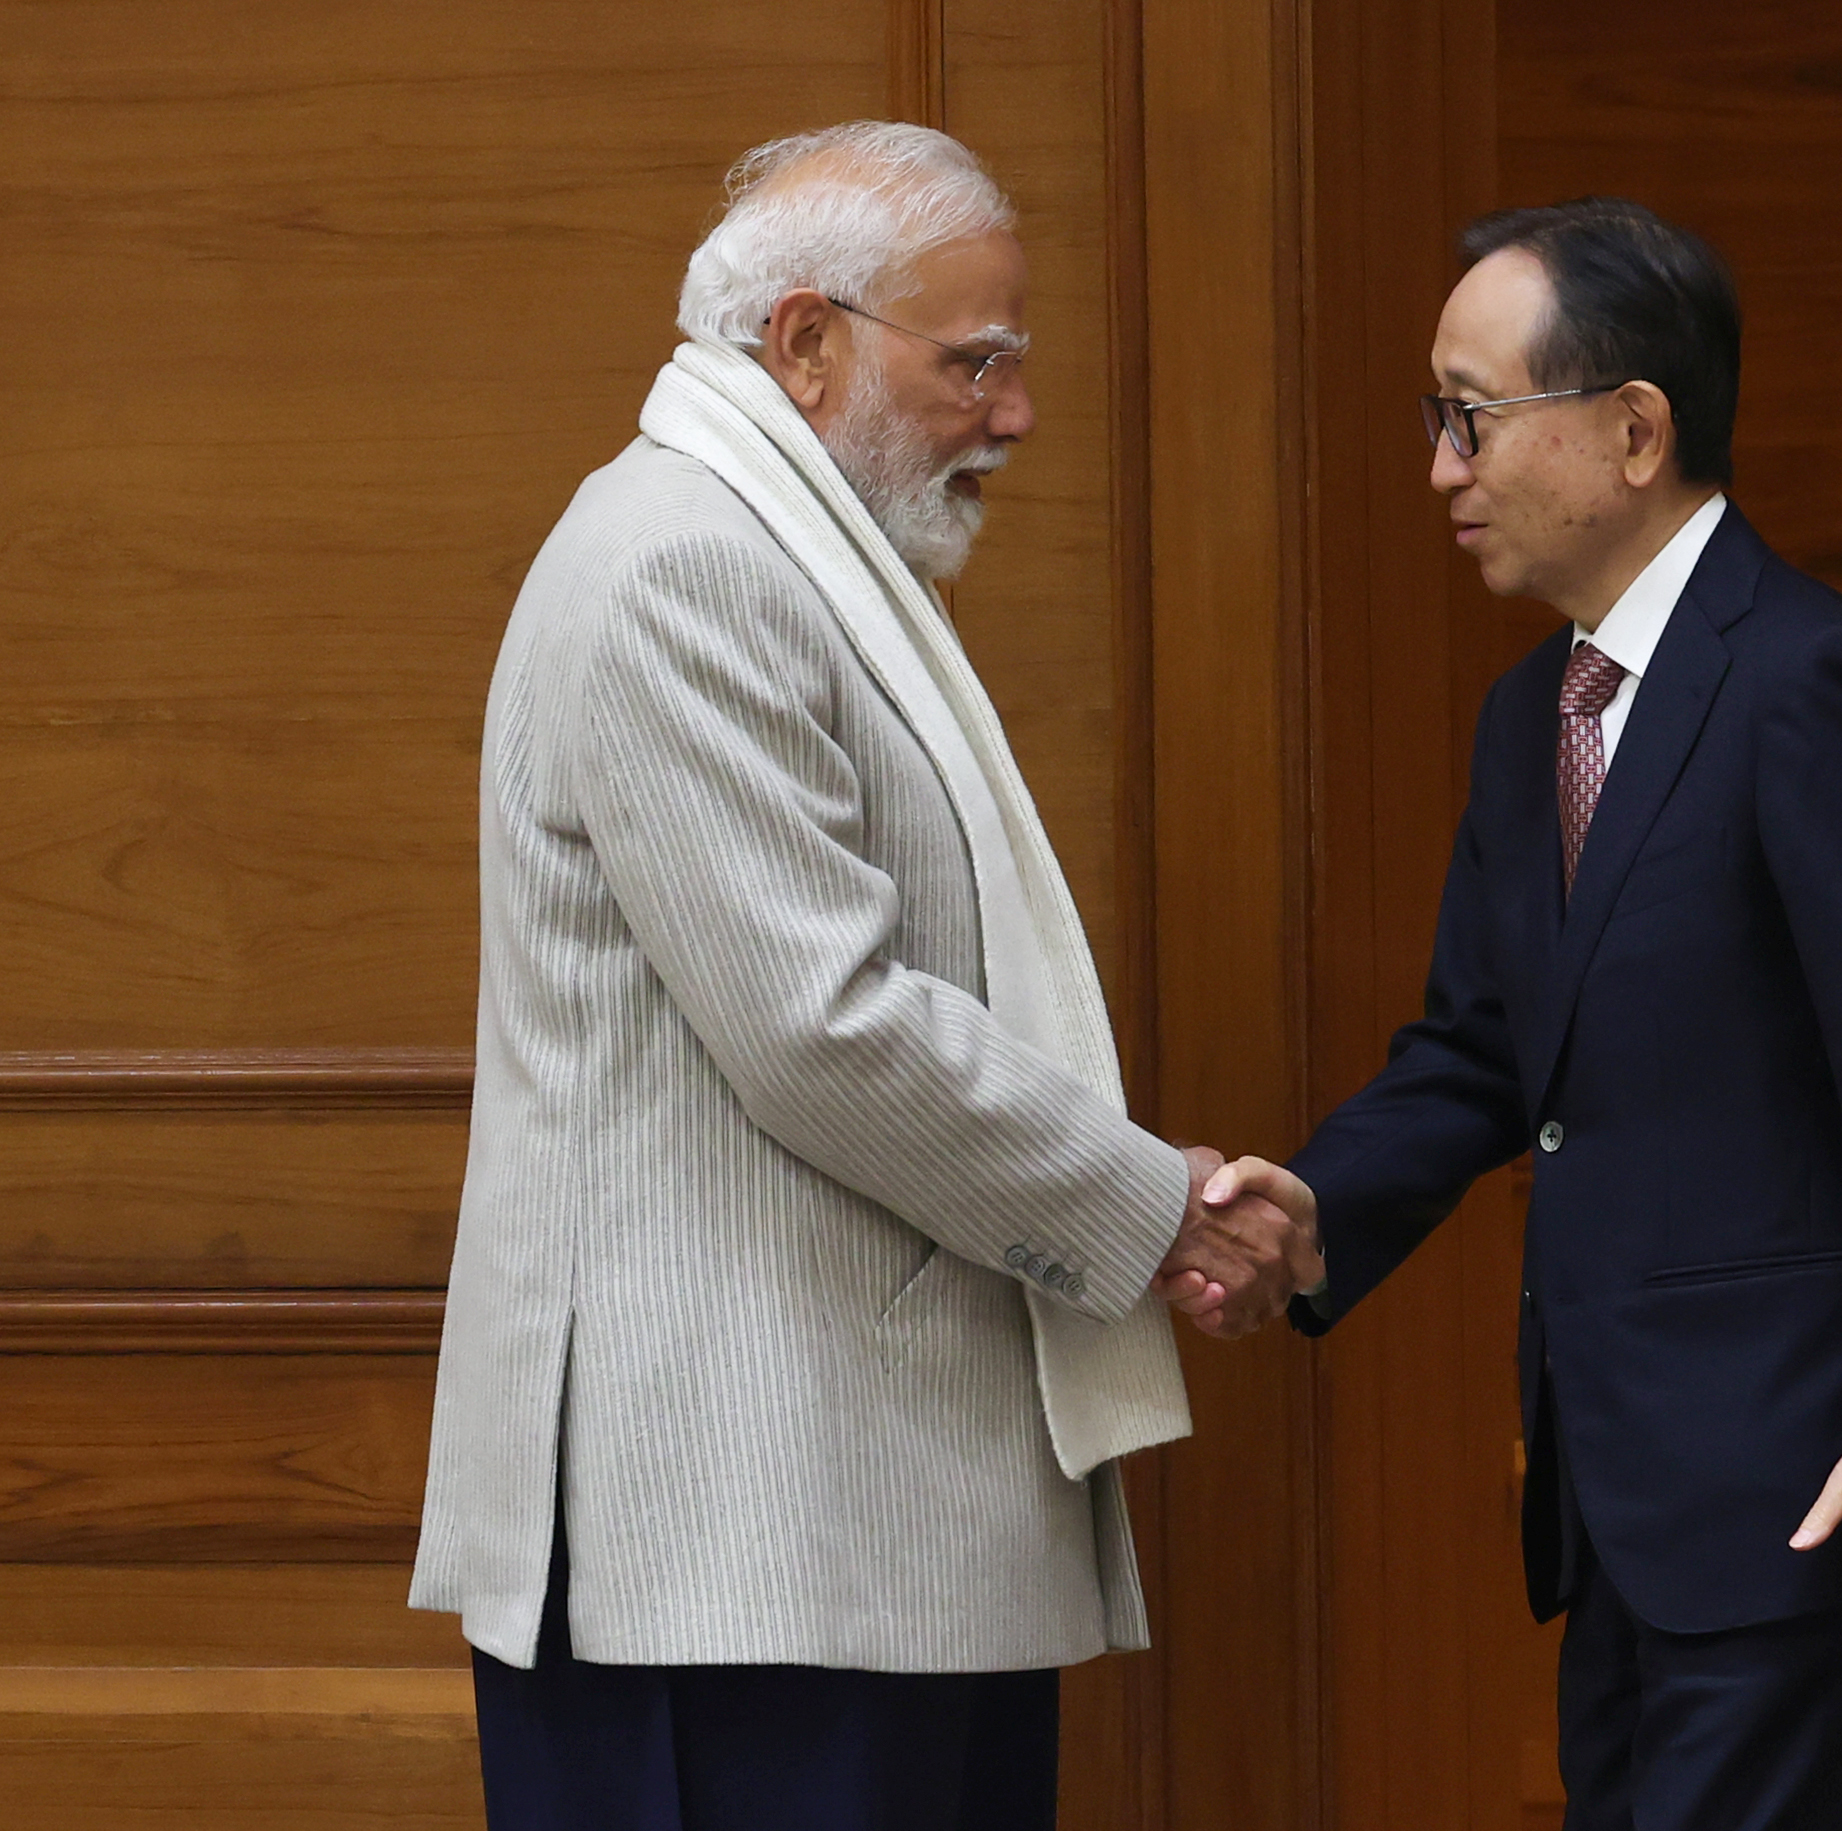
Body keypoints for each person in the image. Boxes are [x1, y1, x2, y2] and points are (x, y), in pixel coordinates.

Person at [410, 122, 1316, 1831]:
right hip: (735, 1553)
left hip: (842, 1535)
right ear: (806, 340)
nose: (1016, 412)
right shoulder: (686, 563)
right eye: (977, 361)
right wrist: (1158, 1209)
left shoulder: (783, 548)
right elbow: (819, 1029)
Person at [1185, 199, 1842, 1828]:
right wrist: (1310, 1208)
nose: (1440, 467)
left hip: (1822, 1501)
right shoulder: (1539, 713)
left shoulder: (1811, 683)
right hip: (1627, 1511)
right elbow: (1484, 1050)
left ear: (1635, 430)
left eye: (1471, 416)